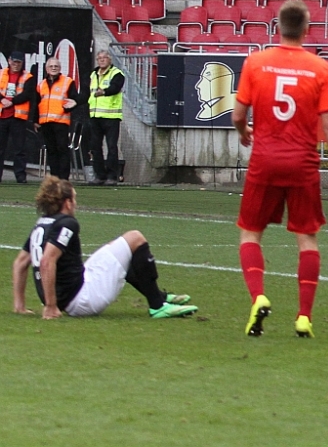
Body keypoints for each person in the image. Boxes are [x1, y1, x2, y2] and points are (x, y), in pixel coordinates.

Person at [232, 0, 328, 339]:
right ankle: (303, 317)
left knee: (251, 232)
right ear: (306, 29)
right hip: (302, 163)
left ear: (278, 27)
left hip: (264, 160)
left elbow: (238, 114)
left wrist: (244, 132)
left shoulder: (256, 62)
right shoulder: (319, 68)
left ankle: (258, 296)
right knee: (307, 238)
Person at [11, 176, 198, 319]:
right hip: (81, 299)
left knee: (118, 249)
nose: (76, 204)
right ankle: (158, 306)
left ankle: (158, 296)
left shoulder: (42, 223)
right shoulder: (67, 223)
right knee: (135, 238)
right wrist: (50, 306)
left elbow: (20, 263)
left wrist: (20, 305)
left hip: (70, 293)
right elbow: (47, 261)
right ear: (67, 203)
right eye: (74, 199)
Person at [35, 56, 78, 180]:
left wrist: (67, 108)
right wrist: (35, 121)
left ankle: (63, 178)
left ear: (60, 68)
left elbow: (74, 100)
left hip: (61, 121)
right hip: (45, 122)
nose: (53, 68)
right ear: (46, 69)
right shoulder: (41, 84)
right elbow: (36, 103)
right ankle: (55, 177)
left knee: (62, 150)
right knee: (51, 150)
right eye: (51, 66)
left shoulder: (67, 82)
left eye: (56, 66)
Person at [87, 50, 125, 186]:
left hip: (111, 116)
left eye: (104, 58)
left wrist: (104, 92)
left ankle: (112, 176)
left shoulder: (117, 73)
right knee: (95, 147)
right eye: (99, 58)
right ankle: (100, 175)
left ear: (110, 60)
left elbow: (115, 87)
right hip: (95, 116)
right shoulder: (93, 74)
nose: (102, 60)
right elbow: (88, 93)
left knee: (112, 147)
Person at [0, 51, 33, 183]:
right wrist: (2, 99)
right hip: (2, 115)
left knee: (19, 149)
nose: (16, 64)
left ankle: (20, 176)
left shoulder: (28, 77)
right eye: (14, 62)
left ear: (22, 63)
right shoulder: (1, 73)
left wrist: (12, 102)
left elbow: (28, 94)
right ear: (9, 61)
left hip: (18, 117)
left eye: (19, 62)